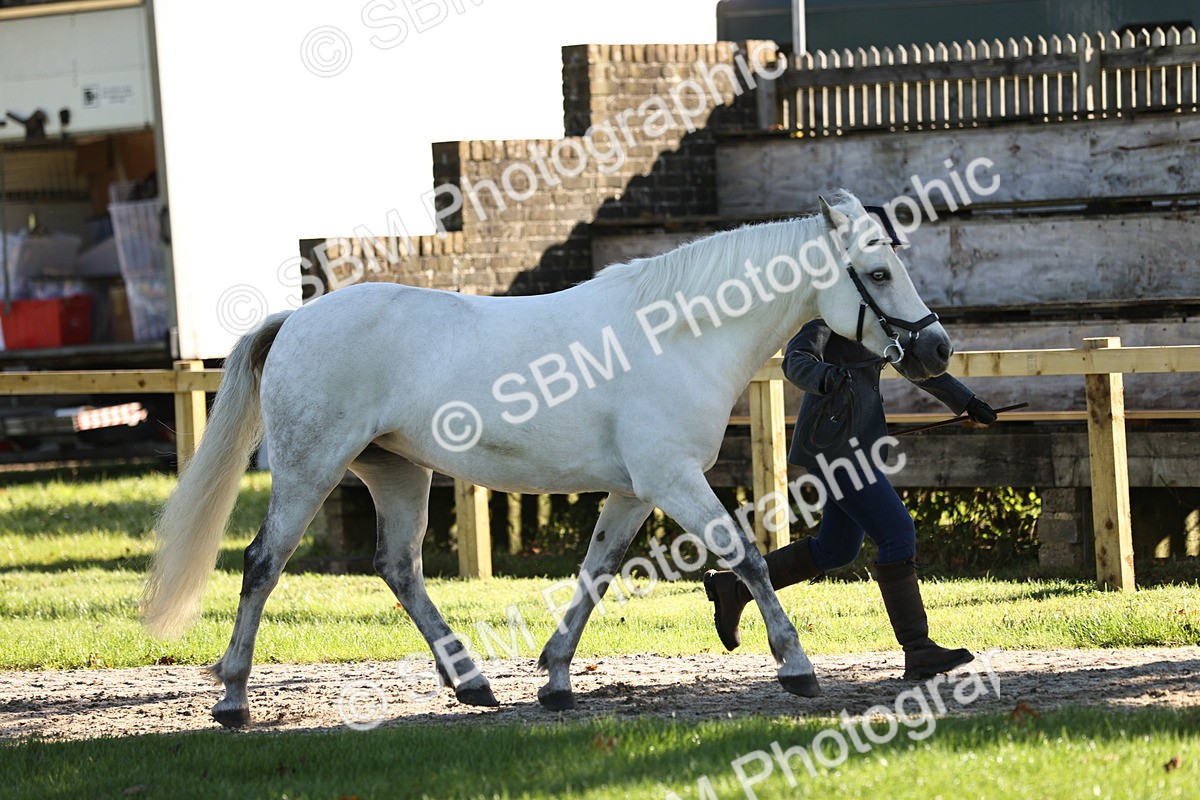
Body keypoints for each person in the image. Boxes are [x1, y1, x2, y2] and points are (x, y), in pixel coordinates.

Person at [703, 318, 998, 679]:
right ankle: (918, 648)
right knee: (897, 532)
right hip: (833, 445)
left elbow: (914, 364)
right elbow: (795, 360)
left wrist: (966, 401)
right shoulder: (828, 312)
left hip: (858, 444)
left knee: (837, 550)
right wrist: (826, 376)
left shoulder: (878, 313)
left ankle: (734, 588)